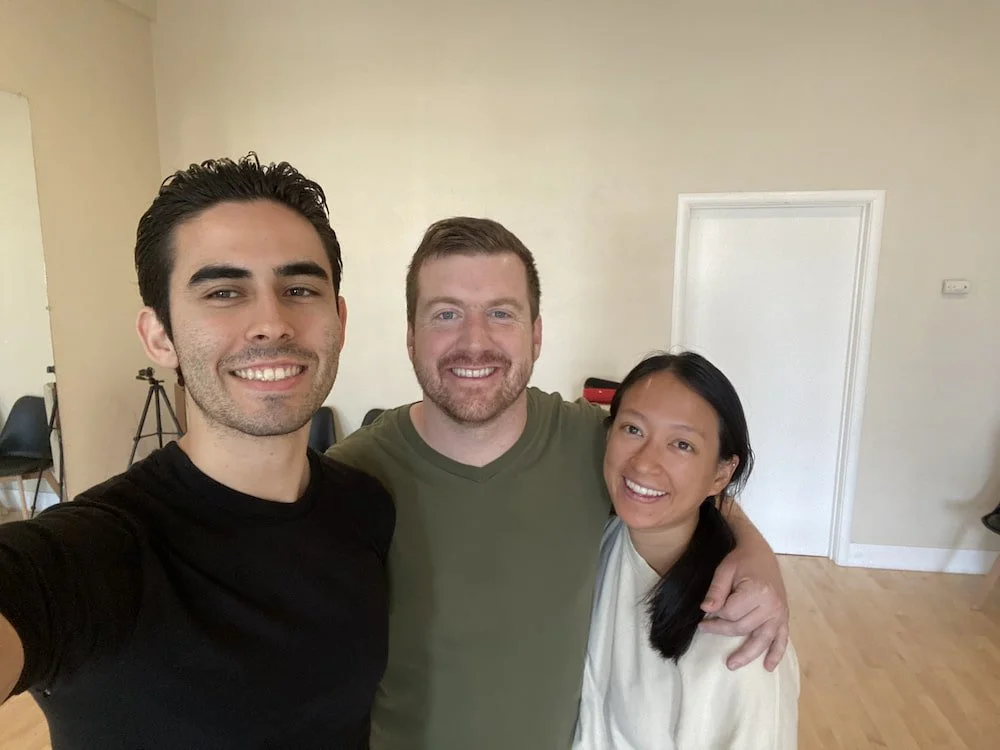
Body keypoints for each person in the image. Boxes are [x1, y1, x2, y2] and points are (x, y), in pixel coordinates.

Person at [327, 217, 791, 750]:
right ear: (410, 337)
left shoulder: (594, 445)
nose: (474, 341)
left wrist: (758, 556)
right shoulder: (349, 476)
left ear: (537, 334)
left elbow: (677, 484)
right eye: (446, 313)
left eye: (501, 313)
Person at [0, 154, 394, 749]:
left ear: (338, 319)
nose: (272, 322)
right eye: (224, 291)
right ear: (160, 336)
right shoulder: (99, 551)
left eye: (299, 288)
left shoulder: (367, 507)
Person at [573, 351, 800, 750]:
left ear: (721, 473)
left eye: (681, 444)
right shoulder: (601, 537)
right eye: (633, 429)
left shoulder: (740, 639)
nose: (644, 464)